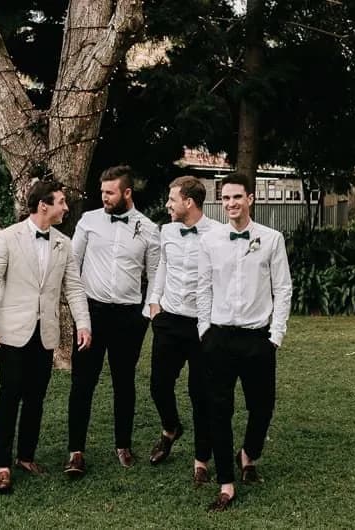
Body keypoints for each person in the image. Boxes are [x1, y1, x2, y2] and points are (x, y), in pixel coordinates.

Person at [0, 179, 92, 494]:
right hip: (11, 331)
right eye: (61, 202)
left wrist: (83, 323)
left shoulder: (63, 243)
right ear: (44, 205)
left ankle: (26, 456)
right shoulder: (6, 238)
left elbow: (74, 288)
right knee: (9, 394)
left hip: (46, 333)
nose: (65, 208)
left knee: (36, 397)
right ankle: (2, 465)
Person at [196, 172, 292, 512]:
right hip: (219, 338)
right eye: (225, 198)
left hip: (257, 339)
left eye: (237, 197)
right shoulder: (210, 241)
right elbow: (203, 287)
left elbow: (283, 289)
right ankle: (226, 483)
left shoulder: (271, 239)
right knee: (219, 411)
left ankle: (249, 453)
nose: (231, 203)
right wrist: (204, 331)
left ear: (250, 198)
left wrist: (275, 336)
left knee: (262, 406)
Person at [66, 165, 159, 475]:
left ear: (127, 193)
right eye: (102, 192)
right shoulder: (89, 221)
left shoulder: (148, 228)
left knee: (124, 382)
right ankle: (76, 452)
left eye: (110, 192)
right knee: (82, 383)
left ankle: (123, 445)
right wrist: (80, 317)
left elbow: (156, 275)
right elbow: (72, 268)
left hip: (129, 317)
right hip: (91, 314)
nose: (104, 197)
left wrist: (146, 313)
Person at [146, 176, 222, 485]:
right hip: (169, 318)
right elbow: (162, 266)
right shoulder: (166, 231)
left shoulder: (219, 234)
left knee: (201, 393)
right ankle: (170, 428)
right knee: (158, 384)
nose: (167, 204)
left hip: (204, 324)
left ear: (188, 202)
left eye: (172, 199)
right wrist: (153, 302)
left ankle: (201, 460)